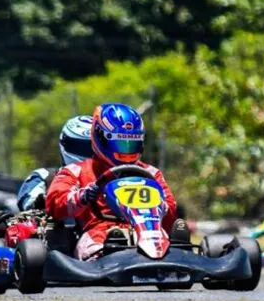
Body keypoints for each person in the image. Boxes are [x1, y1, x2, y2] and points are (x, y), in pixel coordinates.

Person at [45, 103, 179, 260]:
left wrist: (160, 206)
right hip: (99, 232)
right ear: (100, 138)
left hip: (149, 230)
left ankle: (162, 254)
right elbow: (54, 203)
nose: (126, 151)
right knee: (96, 248)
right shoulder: (77, 171)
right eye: (121, 144)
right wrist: (82, 197)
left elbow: (171, 212)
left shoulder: (151, 173)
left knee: (176, 235)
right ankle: (114, 254)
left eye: (132, 144)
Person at [16, 115, 93, 211]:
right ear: (65, 143)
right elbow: (27, 203)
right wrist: (43, 203)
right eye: (81, 147)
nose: (88, 152)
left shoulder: (111, 177)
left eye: (94, 147)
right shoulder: (45, 177)